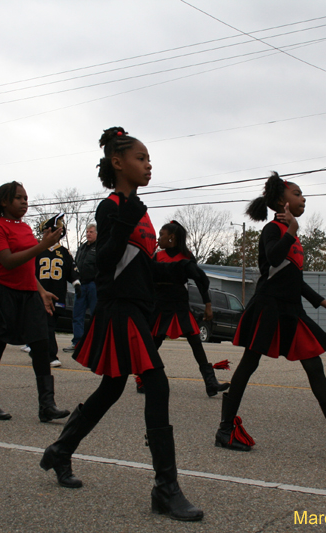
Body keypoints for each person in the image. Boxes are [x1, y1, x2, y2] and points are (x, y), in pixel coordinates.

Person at [40, 127, 203, 522]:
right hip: (117, 310)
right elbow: (107, 259)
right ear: (118, 163)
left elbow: (143, 266)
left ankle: (60, 451)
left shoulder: (140, 209)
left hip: (138, 310)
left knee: (111, 389)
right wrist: (127, 219)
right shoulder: (111, 206)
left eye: (148, 159)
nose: (149, 165)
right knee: (157, 384)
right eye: (141, 158)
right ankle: (166, 488)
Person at [214, 172, 326, 458]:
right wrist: (290, 231)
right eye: (298, 193)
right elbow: (274, 260)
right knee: (247, 365)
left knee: (315, 369)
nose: (304, 198)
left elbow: (295, 279)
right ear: (282, 200)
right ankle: (225, 428)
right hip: (268, 307)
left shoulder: (293, 235)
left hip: (291, 310)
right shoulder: (272, 230)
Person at [0, 181, 70, 423]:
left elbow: (28, 266)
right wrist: (42, 245)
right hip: (1, 294)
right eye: (19, 198)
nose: (24, 202)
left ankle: (47, 406)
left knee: (41, 347)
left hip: (28, 294)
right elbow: (8, 262)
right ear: (4, 202)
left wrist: (40, 291)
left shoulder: (26, 228)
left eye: (26, 198)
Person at [149, 220, 228, 396]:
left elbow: (200, 281)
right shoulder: (156, 256)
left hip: (180, 305)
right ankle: (143, 379)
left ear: (172, 237)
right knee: (154, 343)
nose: (159, 238)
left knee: (196, 342)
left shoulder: (187, 256)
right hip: (161, 306)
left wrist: (208, 304)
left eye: (162, 234)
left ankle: (210, 382)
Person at [35, 216, 80, 367]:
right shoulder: (37, 249)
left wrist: (77, 284)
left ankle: (38, 351)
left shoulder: (64, 252)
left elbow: (72, 271)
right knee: (46, 325)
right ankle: (50, 355)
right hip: (39, 295)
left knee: (49, 324)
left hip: (57, 295)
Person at [66, 224, 98, 352]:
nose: (88, 234)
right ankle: (77, 342)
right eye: (87, 232)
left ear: (96, 233)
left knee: (95, 315)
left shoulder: (100, 247)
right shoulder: (82, 248)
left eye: (91, 232)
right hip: (81, 285)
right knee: (77, 314)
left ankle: (95, 343)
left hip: (94, 285)